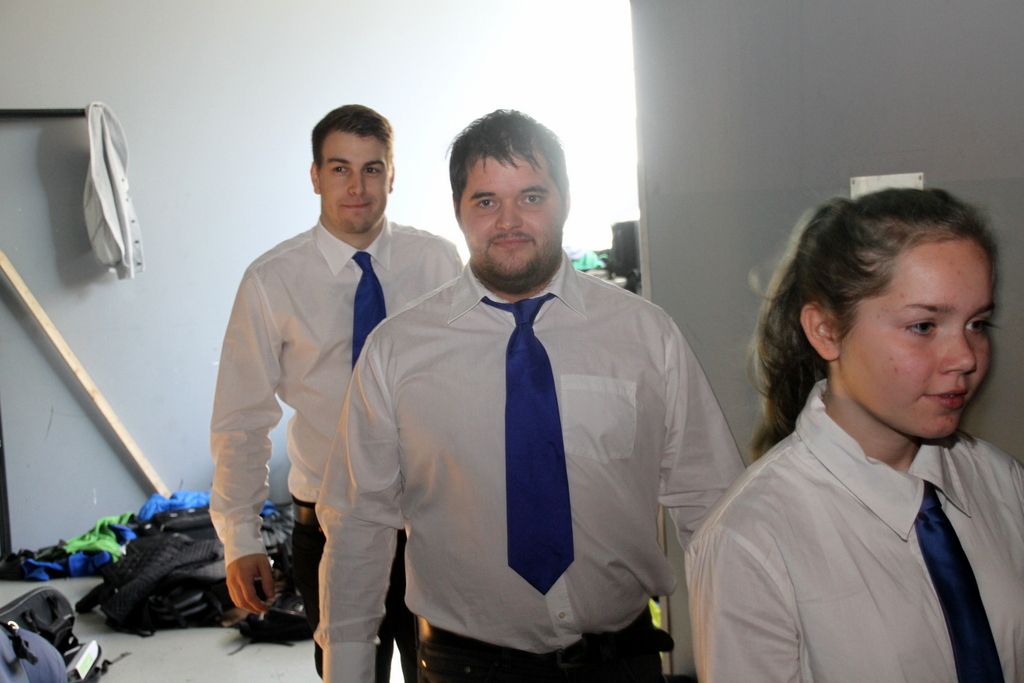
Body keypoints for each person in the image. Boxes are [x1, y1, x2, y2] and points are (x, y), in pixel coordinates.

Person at [316, 109, 744, 683]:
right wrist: (347, 670)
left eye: (532, 197)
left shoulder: (646, 336)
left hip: (622, 663)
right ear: (458, 210)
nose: (509, 221)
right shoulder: (396, 351)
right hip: (463, 668)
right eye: (486, 200)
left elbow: (713, 508)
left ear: (566, 200)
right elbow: (358, 524)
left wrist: (745, 659)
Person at [686, 188, 1024, 682]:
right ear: (825, 330)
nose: (965, 357)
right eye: (924, 326)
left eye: (977, 323)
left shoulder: (1002, 481)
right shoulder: (751, 538)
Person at [210, 104, 462, 680]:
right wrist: (240, 537)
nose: (357, 187)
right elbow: (241, 419)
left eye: (372, 169)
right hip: (328, 528)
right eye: (340, 168)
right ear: (315, 176)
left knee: (446, 674)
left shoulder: (438, 263)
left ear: (392, 176)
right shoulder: (272, 280)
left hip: (433, 525)